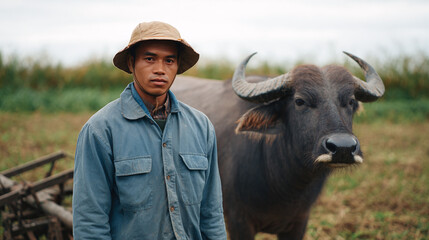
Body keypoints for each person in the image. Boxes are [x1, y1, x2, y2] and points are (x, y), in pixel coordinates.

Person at [72, 21, 227, 240]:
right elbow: (90, 221)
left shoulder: (201, 127)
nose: (160, 70)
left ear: (177, 66)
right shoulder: (100, 131)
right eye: (149, 58)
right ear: (131, 62)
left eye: (169, 60)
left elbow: (211, 213)